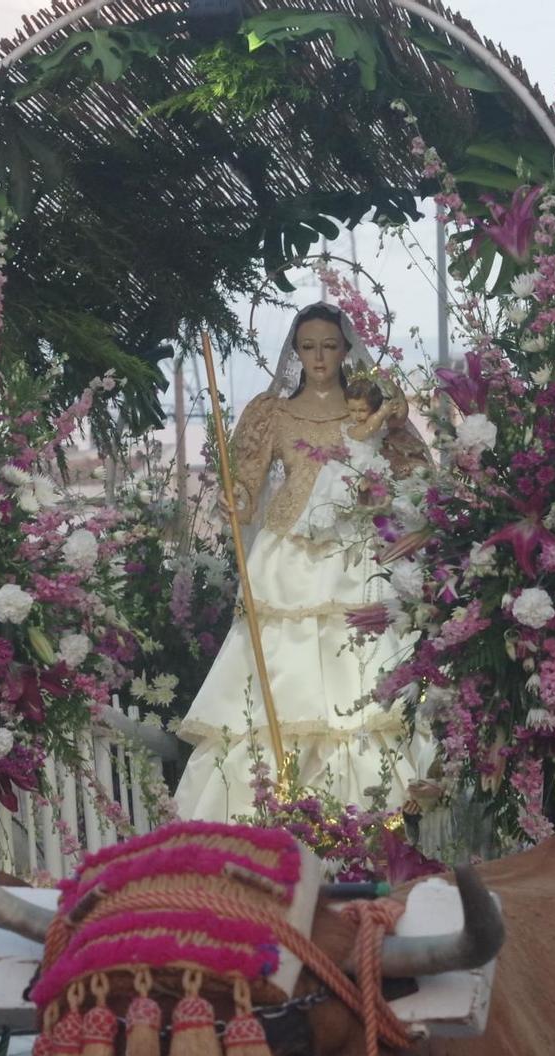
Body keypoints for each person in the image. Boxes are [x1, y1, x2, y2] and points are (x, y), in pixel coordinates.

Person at [173, 303, 430, 821]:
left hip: (354, 557)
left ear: (345, 349)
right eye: (309, 346)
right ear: (296, 350)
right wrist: (234, 501)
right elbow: (244, 488)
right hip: (287, 555)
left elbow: (419, 473)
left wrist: (404, 516)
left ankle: (364, 814)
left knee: (357, 682)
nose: (319, 357)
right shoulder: (271, 412)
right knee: (277, 681)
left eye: (329, 346)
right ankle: (264, 811)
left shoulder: (374, 411)